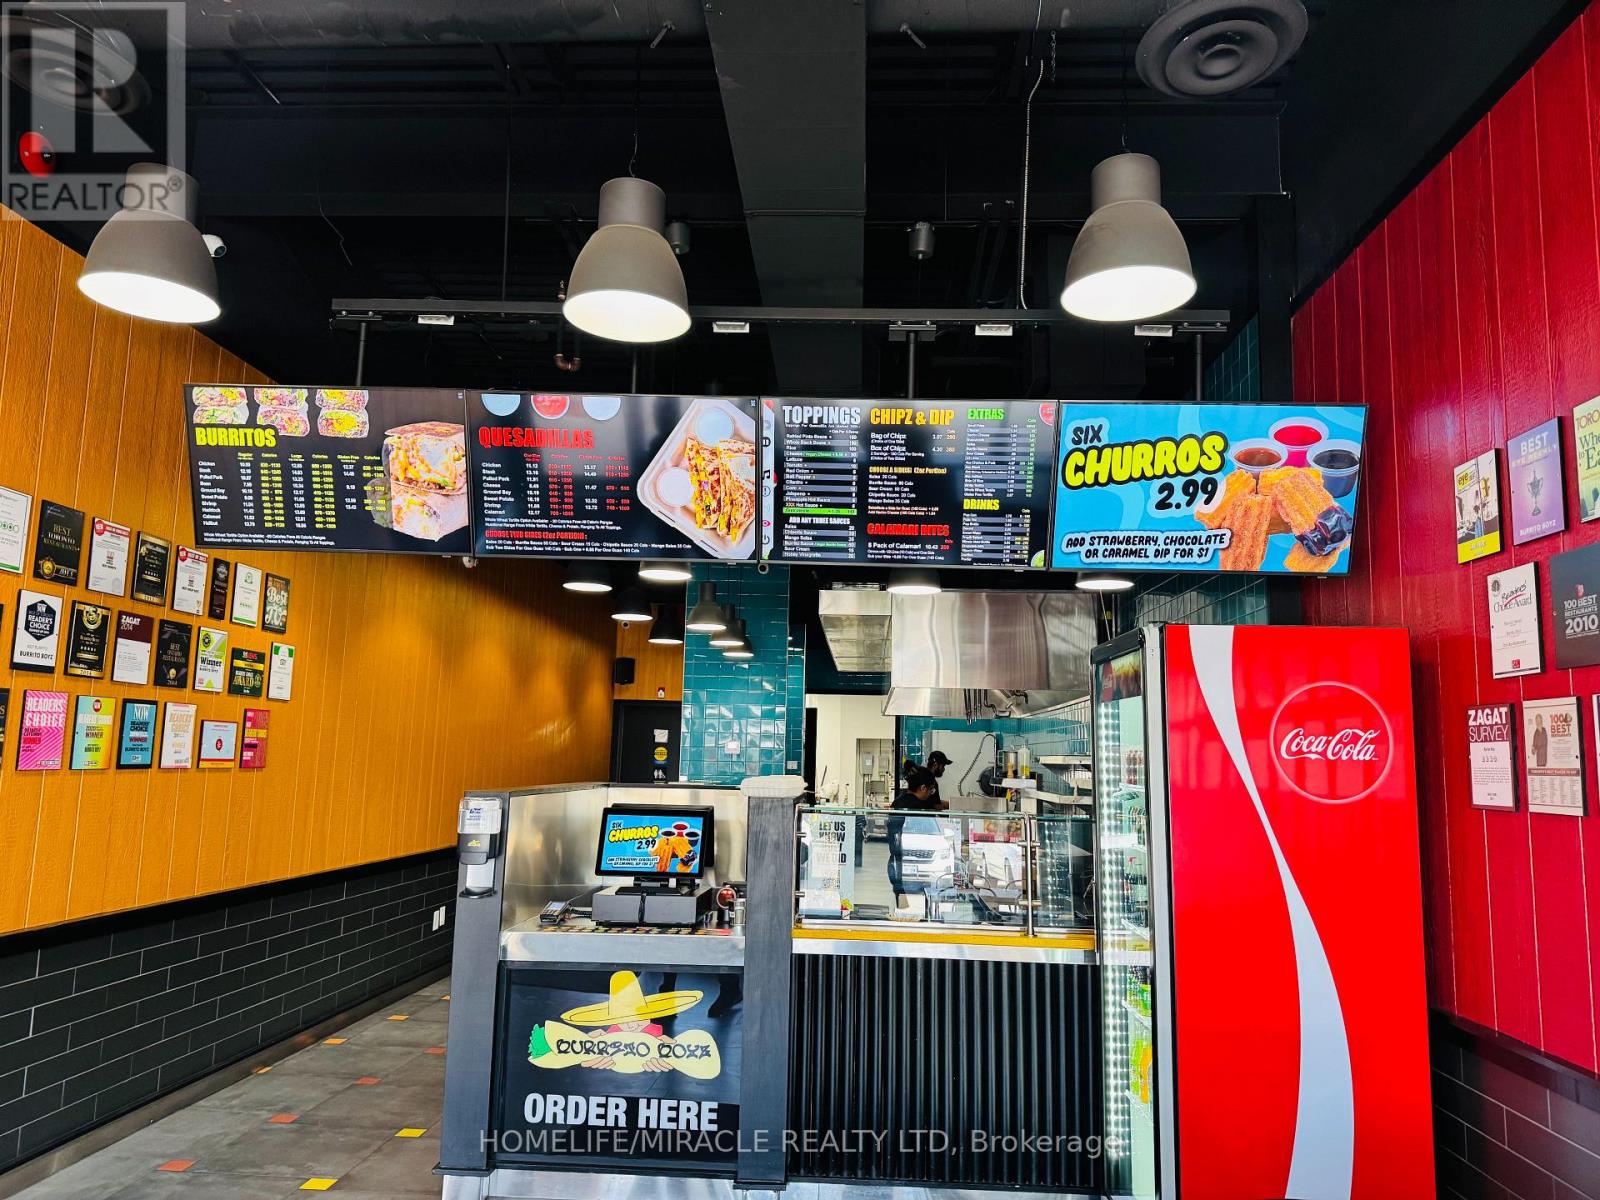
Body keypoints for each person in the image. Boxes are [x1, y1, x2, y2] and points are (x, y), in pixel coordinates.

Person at [886, 765, 943, 914]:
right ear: (923, 788)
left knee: (903, 908)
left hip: (896, 864)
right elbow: (931, 837)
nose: (930, 794)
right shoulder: (919, 808)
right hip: (914, 868)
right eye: (930, 790)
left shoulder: (897, 802)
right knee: (917, 912)